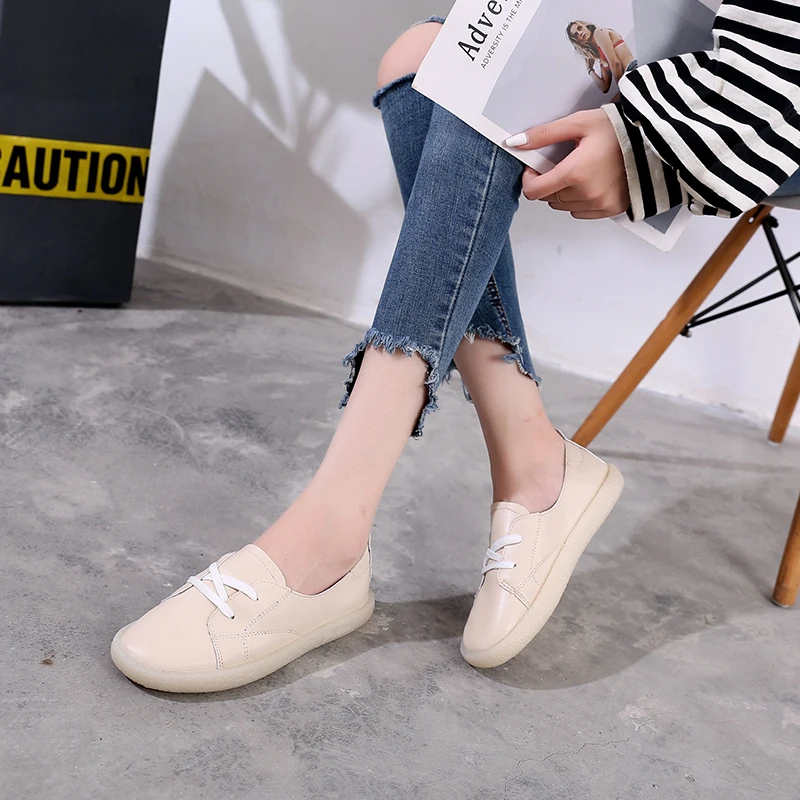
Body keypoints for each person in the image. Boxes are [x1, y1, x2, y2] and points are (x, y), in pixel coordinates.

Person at [111, 0, 800, 693]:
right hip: (710, 48)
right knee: (418, 60)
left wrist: (650, 135)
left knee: (486, 79)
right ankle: (532, 459)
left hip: (769, 87)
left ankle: (331, 530)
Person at [565, 20, 635, 94]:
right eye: (576, 35)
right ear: (577, 41)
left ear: (586, 26)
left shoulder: (599, 33)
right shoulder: (601, 56)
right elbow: (604, 87)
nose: (580, 33)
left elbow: (615, 64)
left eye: (580, 28)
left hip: (632, 70)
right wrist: (590, 70)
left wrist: (622, 90)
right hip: (628, 79)